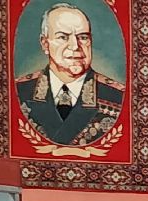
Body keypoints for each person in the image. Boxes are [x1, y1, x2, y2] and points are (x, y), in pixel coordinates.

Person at [14, 3, 125, 148]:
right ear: (45, 44)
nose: (75, 46)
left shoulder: (118, 97)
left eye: (83, 37)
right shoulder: (18, 92)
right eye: (63, 37)